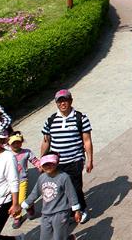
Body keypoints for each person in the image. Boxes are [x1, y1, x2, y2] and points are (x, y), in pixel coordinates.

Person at [40, 89, 93, 224]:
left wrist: (89, 160)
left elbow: (87, 141)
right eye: (60, 101)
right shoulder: (51, 120)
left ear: (71, 101)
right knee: (60, 189)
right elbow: (46, 142)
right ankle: (69, 212)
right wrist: (42, 160)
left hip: (75, 160)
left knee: (75, 187)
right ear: (56, 103)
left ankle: (82, 209)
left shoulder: (80, 118)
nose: (63, 103)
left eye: (65, 100)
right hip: (56, 163)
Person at [21, 153, 81, 240]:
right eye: (45, 164)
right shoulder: (42, 178)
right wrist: (25, 204)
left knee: (59, 237)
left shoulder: (64, 177)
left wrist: (77, 210)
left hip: (61, 213)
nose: (48, 166)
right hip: (46, 213)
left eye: (51, 164)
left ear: (56, 163)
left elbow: (71, 194)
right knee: (44, 237)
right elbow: (35, 193)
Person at [8, 132, 39, 229]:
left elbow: (35, 160)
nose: (16, 145)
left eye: (18, 142)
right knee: (13, 200)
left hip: (22, 180)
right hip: (10, 181)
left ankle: (26, 208)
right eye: (13, 143)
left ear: (21, 142)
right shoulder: (7, 153)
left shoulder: (26, 152)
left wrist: (40, 166)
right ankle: (18, 216)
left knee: (20, 200)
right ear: (9, 144)